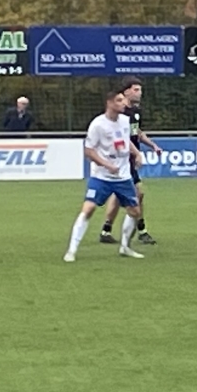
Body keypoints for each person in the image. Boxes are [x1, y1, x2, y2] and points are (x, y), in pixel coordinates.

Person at [65, 87, 145, 261]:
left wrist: (137, 153)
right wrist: (106, 165)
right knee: (89, 208)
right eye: (119, 100)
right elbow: (89, 151)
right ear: (109, 103)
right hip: (101, 176)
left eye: (123, 100)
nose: (124, 103)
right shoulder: (97, 124)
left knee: (135, 211)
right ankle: (71, 250)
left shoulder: (125, 121)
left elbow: (126, 141)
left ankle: (125, 247)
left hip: (123, 176)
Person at [100, 80, 163, 246]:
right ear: (126, 92)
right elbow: (119, 137)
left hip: (130, 159)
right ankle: (141, 231)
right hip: (122, 158)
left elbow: (137, 132)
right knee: (138, 194)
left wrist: (153, 145)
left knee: (118, 194)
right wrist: (136, 153)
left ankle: (106, 230)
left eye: (140, 90)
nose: (139, 93)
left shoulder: (135, 112)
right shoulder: (120, 113)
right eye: (136, 89)